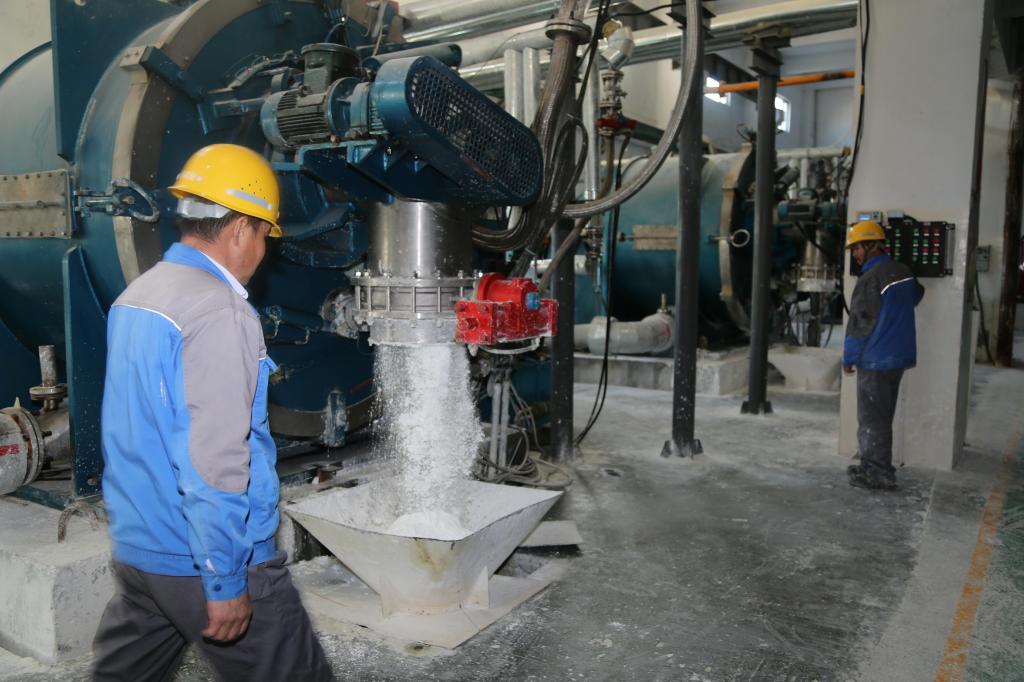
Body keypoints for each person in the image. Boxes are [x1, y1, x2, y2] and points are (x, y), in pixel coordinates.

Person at [93, 144, 335, 681]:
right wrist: (224, 578)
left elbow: (133, 431)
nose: (262, 251)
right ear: (241, 229)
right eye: (265, 235)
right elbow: (215, 460)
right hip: (201, 559)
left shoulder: (139, 295)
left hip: (140, 552)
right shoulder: (219, 311)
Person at [842, 220, 924, 491]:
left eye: (857, 248)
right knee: (882, 415)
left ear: (871, 245)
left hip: (875, 359)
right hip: (898, 356)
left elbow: (860, 324)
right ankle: (874, 465)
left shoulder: (870, 278)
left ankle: (878, 473)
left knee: (871, 419)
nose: (855, 254)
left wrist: (849, 358)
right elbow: (917, 295)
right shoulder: (902, 271)